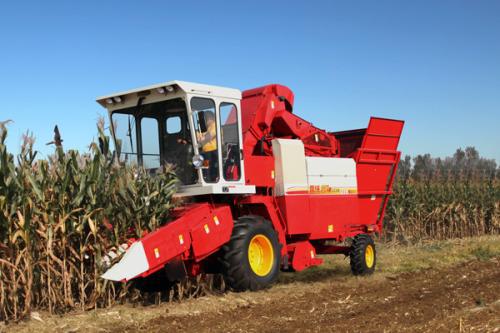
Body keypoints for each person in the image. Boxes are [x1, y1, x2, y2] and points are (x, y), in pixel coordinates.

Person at [196, 111, 218, 181]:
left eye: (206, 118)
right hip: (206, 152)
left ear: (211, 118)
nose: (205, 121)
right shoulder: (206, 129)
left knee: (205, 161)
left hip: (213, 151)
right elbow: (198, 137)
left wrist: (202, 139)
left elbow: (209, 136)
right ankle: (202, 177)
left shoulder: (215, 126)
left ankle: (206, 178)